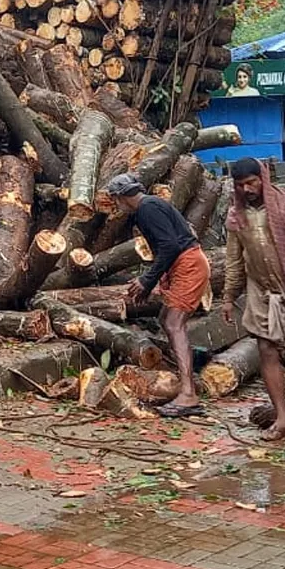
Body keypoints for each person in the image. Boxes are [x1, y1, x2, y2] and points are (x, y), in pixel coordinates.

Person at [221, 157, 285, 441]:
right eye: (240, 185)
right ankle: (283, 416)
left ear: (262, 179)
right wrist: (229, 296)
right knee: (266, 349)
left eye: (251, 183)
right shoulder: (235, 217)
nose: (247, 190)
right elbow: (233, 260)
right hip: (261, 290)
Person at [107, 174, 211, 417]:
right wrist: (156, 279)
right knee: (166, 319)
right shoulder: (147, 207)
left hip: (188, 264)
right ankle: (194, 362)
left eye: (115, 199)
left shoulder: (147, 209)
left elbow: (171, 246)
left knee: (175, 324)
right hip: (181, 263)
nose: (116, 205)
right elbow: (167, 245)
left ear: (121, 196)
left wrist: (147, 280)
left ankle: (188, 395)